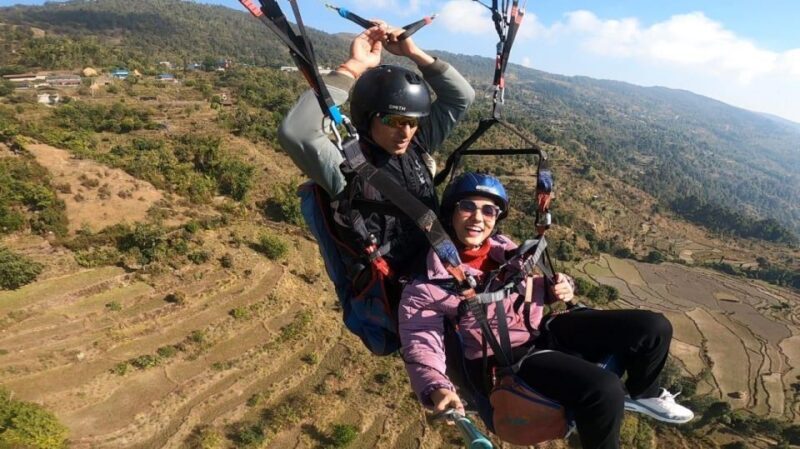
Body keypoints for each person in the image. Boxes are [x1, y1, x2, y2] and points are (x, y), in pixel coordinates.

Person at [398, 172, 694, 449]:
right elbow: (421, 346)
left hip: (543, 329)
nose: (478, 218)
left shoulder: (503, 247)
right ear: (451, 213)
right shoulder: (427, 286)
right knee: (605, 388)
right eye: (467, 207)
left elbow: (525, 287)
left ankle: (645, 394)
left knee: (653, 327)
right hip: (508, 359)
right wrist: (437, 388)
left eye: (489, 211)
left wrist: (559, 286)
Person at [278, 23, 474, 294]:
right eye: (394, 120)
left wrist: (413, 52)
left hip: (439, 270)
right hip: (397, 293)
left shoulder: (417, 144)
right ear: (367, 117)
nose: (405, 132)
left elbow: (461, 97)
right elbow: (296, 131)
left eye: (414, 122)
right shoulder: (346, 168)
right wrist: (354, 66)